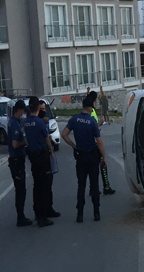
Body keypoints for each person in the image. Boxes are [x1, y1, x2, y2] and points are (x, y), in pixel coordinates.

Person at [62, 97, 106, 223]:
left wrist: (74, 145)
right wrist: (104, 157)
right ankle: (96, 213)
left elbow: (64, 134)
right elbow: (99, 142)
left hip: (80, 156)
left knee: (81, 186)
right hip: (92, 156)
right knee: (94, 185)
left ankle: (79, 214)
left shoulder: (74, 119)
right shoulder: (92, 121)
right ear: (91, 107)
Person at [23, 96, 57, 227]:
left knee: (37, 185)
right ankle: (42, 217)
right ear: (37, 107)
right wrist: (51, 151)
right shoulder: (39, 122)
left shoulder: (26, 122)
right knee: (44, 186)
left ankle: (39, 213)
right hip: (42, 157)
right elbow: (47, 138)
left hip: (32, 156)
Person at [7, 100, 32, 227]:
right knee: (20, 190)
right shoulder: (14, 124)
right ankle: (20, 217)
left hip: (17, 160)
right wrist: (25, 142)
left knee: (21, 189)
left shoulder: (14, 122)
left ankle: (21, 216)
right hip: (16, 160)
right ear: (19, 110)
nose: (23, 113)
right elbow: (15, 144)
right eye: (22, 110)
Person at [87, 91, 115, 195]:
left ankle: (93, 188)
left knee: (92, 168)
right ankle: (106, 187)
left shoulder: (89, 110)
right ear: (94, 101)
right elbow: (91, 128)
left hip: (89, 143)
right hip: (94, 142)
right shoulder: (91, 111)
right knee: (102, 163)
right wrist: (99, 124)